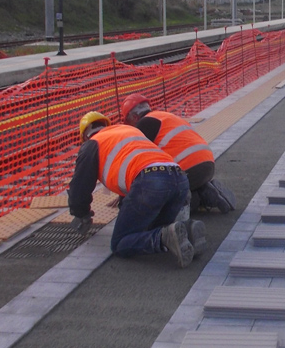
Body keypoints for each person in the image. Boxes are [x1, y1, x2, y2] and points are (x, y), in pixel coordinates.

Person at [67, 111, 205, 267]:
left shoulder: (93, 143)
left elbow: (80, 186)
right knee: (154, 229)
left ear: (85, 136)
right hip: (179, 177)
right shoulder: (128, 131)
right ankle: (187, 231)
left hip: (150, 181)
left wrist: (81, 213)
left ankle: (163, 238)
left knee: (120, 243)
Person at [120, 94, 236, 216]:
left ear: (134, 117)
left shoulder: (144, 125)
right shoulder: (165, 116)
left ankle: (197, 198)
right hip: (208, 164)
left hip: (187, 170)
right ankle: (203, 188)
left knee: (156, 206)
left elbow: (134, 162)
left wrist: (126, 195)